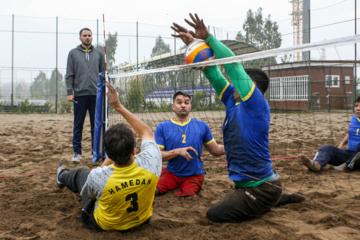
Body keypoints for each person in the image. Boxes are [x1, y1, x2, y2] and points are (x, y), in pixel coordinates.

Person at [171, 13, 304, 222]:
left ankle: (270, 200)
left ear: (253, 87)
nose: (231, 84)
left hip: (260, 187)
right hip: (253, 185)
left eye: (238, 82)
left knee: (213, 215)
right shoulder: (234, 101)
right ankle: (273, 199)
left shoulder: (256, 105)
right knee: (229, 205)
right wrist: (195, 45)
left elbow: (233, 66)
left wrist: (208, 38)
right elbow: (214, 74)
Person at [56, 81, 162, 231]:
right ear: (134, 150)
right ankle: (63, 176)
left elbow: (91, 195)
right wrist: (118, 106)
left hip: (103, 225)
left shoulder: (99, 177)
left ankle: (61, 176)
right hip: (142, 220)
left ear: (108, 154)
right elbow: (147, 133)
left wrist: (109, 157)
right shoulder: (151, 162)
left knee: (82, 173)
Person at [154, 91, 225, 197]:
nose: (183, 105)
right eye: (179, 102)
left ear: (190, 106)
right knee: (155, 190)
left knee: (188, 194)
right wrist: (178, 151)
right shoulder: (162, 127)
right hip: (171, 173)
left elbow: (214, 149)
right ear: (173, 106)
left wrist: (233, 146)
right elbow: (158, 156)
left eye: (186, 102)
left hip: (194, 175)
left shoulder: (202, 126)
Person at [66, 28, 105, 162]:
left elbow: (102, 75)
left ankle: (97, 153)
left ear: (92, 37)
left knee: (96, 125)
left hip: (96, 95)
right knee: (78, 124)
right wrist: (69, 92)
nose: (87, 37)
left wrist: (104, 91)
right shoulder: (73, 53)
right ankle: (77, 153)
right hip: (80, 95)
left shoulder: (99, 54)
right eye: (84, 35)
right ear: (80, 38)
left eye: (89, 35)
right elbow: (69, 74)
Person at [301, 96, 360, 172]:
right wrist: (342, 144)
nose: (358, 108)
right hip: (349, 153)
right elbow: (351, 133)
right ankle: (316, 164)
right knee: (327, 148)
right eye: (356, 105)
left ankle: (347, 166)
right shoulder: (354, 119)